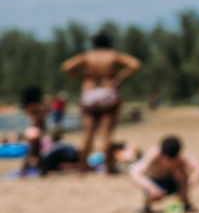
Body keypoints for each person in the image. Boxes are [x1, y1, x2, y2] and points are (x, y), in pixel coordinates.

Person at [60, 32, 141, 174]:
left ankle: (82, 168)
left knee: (87, 134)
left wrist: (82, 77)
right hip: (108, 92)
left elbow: (66, 66)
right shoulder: (113, 55)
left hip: (90, 93)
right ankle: (110, 167)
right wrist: (120, 76)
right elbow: (135, 64)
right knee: (107, 134)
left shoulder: (88, 56)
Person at [129, 135, 199, 213]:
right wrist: (152, 188)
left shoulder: (182, 155)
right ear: (162, 154)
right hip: (157, 182)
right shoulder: (154, 154)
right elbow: (135, 173)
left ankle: (186, 204)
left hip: (175, 181)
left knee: (180, 172)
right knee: (154, 194)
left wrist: (188, 185)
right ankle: (145, 206)